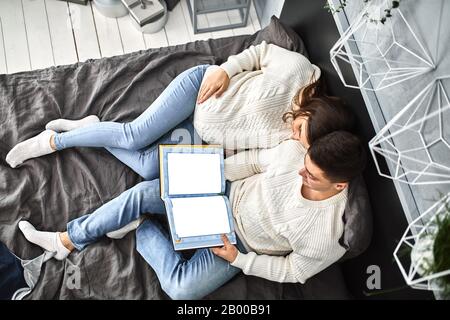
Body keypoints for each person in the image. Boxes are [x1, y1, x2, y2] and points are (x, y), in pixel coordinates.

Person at [18, 130, 366, 299]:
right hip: (224, 193)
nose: (301, 174)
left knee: (182, 290)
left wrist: (240, 260)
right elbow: (253, 162)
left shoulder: (328, 234)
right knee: (142, 192)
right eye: (305, 166)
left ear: (338, 187)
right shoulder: (294, 154)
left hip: (236, 243)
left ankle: (142, 228)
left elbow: (294, 271)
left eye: (312, 176)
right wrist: (209, 175)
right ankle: (67, 240)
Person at [5, 41, 354, 177]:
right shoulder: (299, 71)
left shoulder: (302, 143)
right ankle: (51, 141)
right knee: (133, 135)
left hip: (205, 136)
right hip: (200, 91)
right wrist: (225, 69)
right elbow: (259, 51)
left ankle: (89, 126)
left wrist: (216, 165)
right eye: (299, 127)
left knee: (146, 168)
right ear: (314, 107)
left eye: (301, 139)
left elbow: (255, 154)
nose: (294, 134)